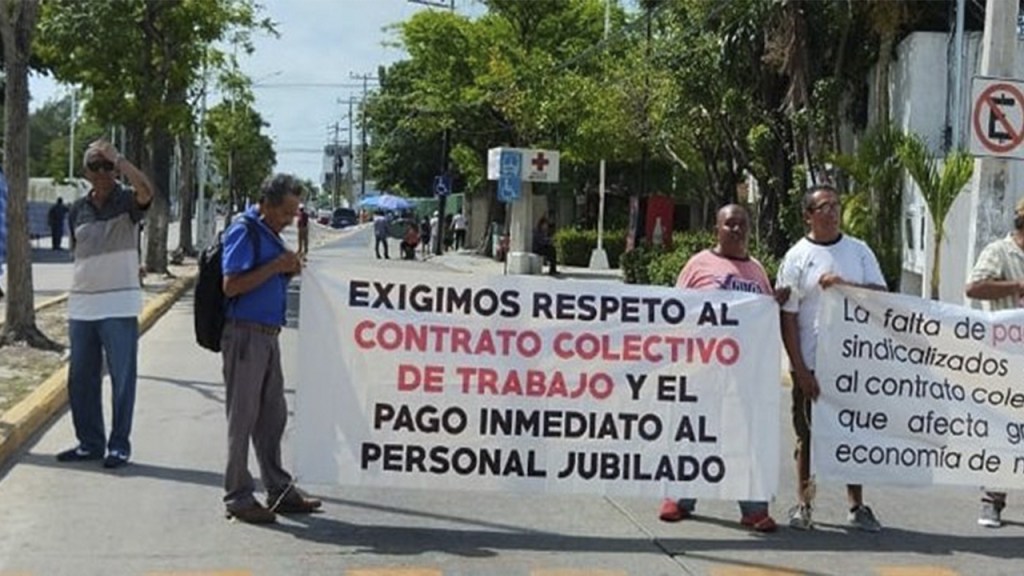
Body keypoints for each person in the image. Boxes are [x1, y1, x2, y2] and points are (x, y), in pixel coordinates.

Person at [658, 204, 779, 531]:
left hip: (744, 371)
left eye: (742, 224)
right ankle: (679, 498)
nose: (736, 230)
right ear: (717, 229)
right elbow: (675, 310)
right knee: (692, 432)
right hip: (701, 367)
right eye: (730, 224)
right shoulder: (699, 265)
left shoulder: (756, 271)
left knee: (746, 436)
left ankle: (754, 508)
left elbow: (766, 317)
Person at [777, 184, 886, 532]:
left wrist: (845, 286)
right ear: (808, 215)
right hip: (811, 363)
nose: (833, 211)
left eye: (835, 205)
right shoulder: (796, 257)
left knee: (851, 433)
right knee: (807, 436)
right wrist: (799, 367)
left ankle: (856, 505)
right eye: (824, 207)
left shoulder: (859, 251)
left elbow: (882, 296)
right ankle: (804, 504)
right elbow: (789, 316)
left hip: (852, 363)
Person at [220, 173, 322, 524]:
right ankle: (238, 496)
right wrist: (276, 265)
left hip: (267, 335)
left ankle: (278, 487)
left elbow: (266, 279)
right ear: (266, 205)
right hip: (246, 336)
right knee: (243, 418)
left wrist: (287, 270)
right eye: (286, 212)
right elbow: (231, 285)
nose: (291, 219)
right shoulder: (244, 230)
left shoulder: (269, 234)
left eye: (295, 212)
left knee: (272, 416)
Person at [56, 140, 154, 469]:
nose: (102, 173)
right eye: (95, 167)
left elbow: (145, 189)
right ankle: (90, 442)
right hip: (82, 307)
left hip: (119, 304)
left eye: (107, 167)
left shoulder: (128, 201)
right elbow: (76, 253)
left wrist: (121, 160)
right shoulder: (76, 210)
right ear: (86, 172)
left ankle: (119, 445)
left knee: (122, 378)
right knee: (80, 379)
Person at [964, 196, 1024, 528]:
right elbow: (973, 287)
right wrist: (1016, 285)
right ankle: (993, 500)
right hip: (1008, 357)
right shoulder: (1000, 253)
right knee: (1005, 429)